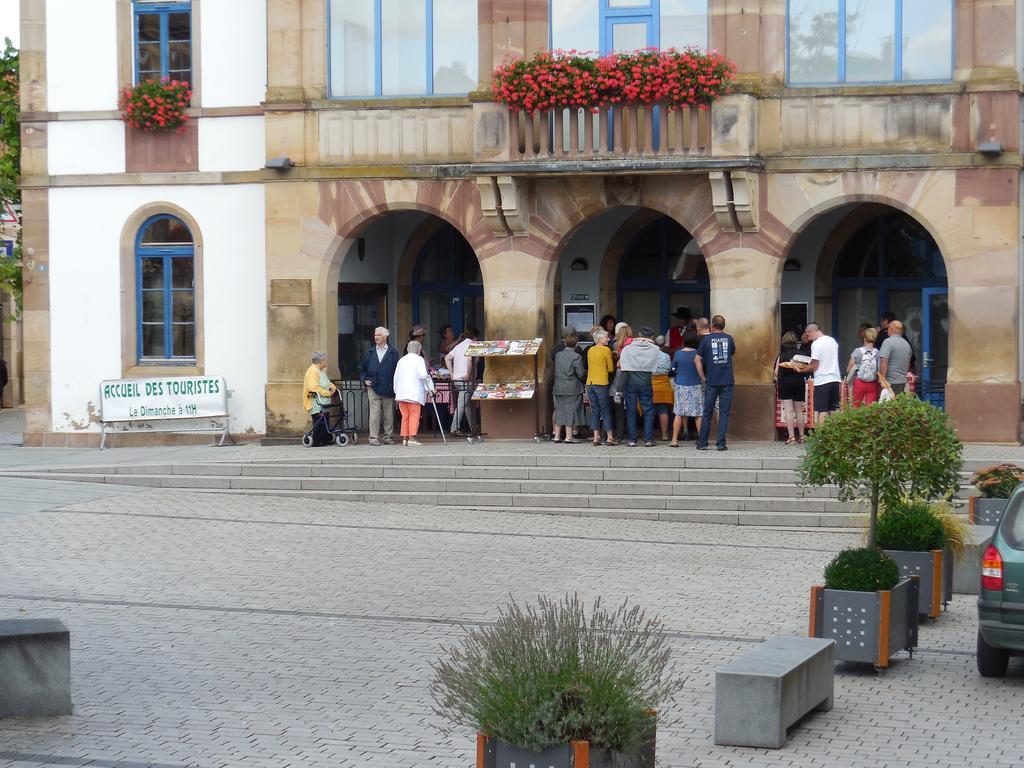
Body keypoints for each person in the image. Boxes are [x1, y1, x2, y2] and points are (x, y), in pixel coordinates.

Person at [694, 315, 736, 451]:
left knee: (707, 412)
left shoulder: (706, 339)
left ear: (712, 326)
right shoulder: (729, 339)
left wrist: (703, 377)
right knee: (723, 412)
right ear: (724, 326)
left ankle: (702, 443)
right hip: (727, 380)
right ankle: (721, 444)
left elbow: (697, 359)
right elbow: (732, 353)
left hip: (711, 380)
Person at [618, 326, 660, 447]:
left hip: (630, 382)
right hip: (646, 381)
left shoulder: (627, 348)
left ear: (639, 334)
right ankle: (648, 439)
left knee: (631, 411)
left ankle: (632, 440)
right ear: (651, 337)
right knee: (648, 410)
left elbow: (623, 367)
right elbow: (657, 367)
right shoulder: (655, 349)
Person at [358, 327, 400, 445]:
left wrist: (396, 385)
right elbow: (362, 369)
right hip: (373, 387)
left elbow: (398, 370)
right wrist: (364, 380)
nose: (376, 337)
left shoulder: (393, 352)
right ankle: (374, 438)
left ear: (385, 337)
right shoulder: (369, 352)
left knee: (388, 413)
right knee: (375, 414)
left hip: (388, 386)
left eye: (379, 335)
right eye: (375, 335)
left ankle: (388, 437)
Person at [394, 340, 435, 446]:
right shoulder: (419, 360)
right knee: (414, 416)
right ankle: (412, 439)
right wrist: (431, 388)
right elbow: (423, 375)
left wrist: (396, 391)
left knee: (405, 416)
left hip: (401, 394)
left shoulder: (401, 360)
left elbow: (396, 377)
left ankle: (405, 438)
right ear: (419, 350)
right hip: (413, 394)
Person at [446, 325, 480, 442]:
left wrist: (451, 373)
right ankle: (454, 428)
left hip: (456, 379)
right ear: (475, 337)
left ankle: (474, 427)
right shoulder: (473, 345)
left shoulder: (459, 345)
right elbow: (470, 361)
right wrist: (468, 375)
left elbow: (447, 358)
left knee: (466, 404)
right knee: (462, 404)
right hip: (466, 380)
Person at [552, 330, 586, 443]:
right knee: (570, 411)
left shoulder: (558, 355)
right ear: (576, 344)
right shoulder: (576, 356)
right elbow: (580, 373)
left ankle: (556, 436)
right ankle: (569, 437)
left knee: (559, 410)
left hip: (558, 387)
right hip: (572, 388)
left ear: (565, 343)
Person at [803, 322, 841, 422]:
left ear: (812, 331)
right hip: (835, 379)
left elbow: (815, 366)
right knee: (834, 409)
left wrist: (802, 369)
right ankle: (836, 434)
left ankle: (821, 437)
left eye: (808, 335)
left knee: (822, 410)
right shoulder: (832, 341)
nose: (809, 338)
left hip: (822, 380)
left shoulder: (816, 344)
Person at [670, 330, 703, 446]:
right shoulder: (698, 353)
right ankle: (702, 439)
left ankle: (674, 439)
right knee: (698, 413)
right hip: (695, 385)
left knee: (679, 412)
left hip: (681, 385)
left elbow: (672, 369)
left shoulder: (678, 354)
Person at [774, 332, 808, 444]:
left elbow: (776, 372)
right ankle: (802, 436)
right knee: (799, 411)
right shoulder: (802, 354)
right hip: (799, 382)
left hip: (785, 383)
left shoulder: (782, 355)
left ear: (784, 342)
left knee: (788, 411)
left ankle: (792, 437)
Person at [586, 328, 616, 446]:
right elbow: (611, 369)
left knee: (595, 410)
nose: (608, 339)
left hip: (590, 382)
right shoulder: (606, 350)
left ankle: (595, 436)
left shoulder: (590, 350)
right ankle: (609, 437)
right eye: (606, 337)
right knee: (605, 409)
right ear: (599, 339)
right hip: (601, 382)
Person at [847, 327, 881, 406]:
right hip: (873, 384)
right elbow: (879, 370)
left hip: (859, 382)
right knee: (870, 408)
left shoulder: (857, 351)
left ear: (864, 338)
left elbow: (849, 369)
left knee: (856, 406)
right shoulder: (878, 353)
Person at [878, 319, 913, 395]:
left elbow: (883, 361)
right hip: (902, 382)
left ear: (891, 329)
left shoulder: (888, 342)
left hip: (889, 382)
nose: (887, 331)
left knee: (887, 405)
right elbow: (908, 363)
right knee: (898, 405)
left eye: (888, 329)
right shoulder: (906, 344)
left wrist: (882, 379)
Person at [302, 351, 337, 422]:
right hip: (317, 405)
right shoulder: (313, 371)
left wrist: (333, 386)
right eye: (325, 360)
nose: (326, 361)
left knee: (325, 427)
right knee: (320, 427)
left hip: (323, 404)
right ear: (320, 361)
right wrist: (327, 393)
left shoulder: (321, 370)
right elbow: (313, 388)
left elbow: (327, 382)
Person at [651, 336, 674, 441]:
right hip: (664, 384)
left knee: (649, 410)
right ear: (664, 345)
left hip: (652, 384)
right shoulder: (667, 356)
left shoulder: (650, 356)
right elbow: (669, 369)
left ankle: (649, 434)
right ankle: (664, 434)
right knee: (663, 411)